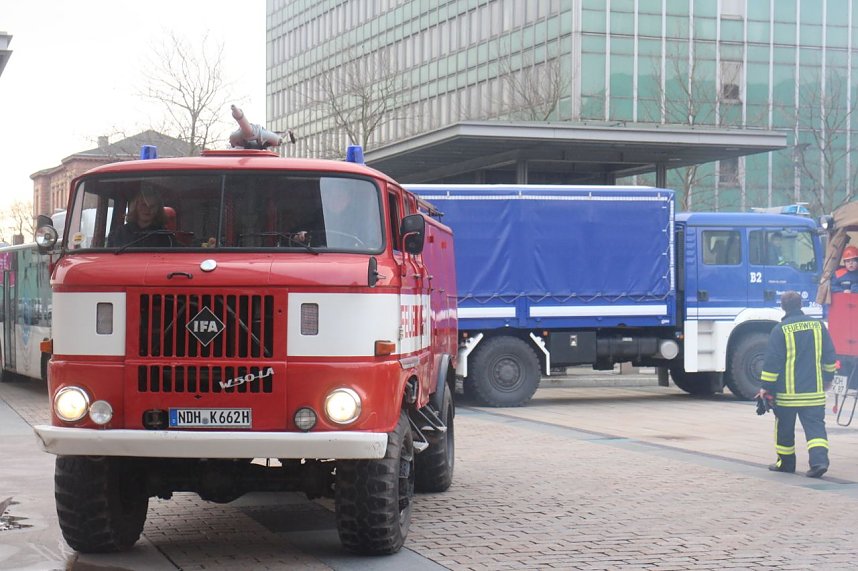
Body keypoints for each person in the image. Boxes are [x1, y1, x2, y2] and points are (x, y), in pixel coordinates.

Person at [758, 291, 837, 478]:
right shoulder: (818, 326)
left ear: (783, 307)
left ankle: (786, 464)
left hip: (788, 395)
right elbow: (829, 356)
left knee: (784, 429)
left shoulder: (780, 329)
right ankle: (819, 463)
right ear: (801, 304)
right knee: (816, 428)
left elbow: (772, 362)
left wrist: (765, 387)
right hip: (814, 392)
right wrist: (827, 378)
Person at [108, 187, 173, 248]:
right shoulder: (119, 234)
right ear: (135, 207)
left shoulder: (166, 236)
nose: (148, 209)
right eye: (144, 205)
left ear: (158, 209)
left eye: (152, 206)